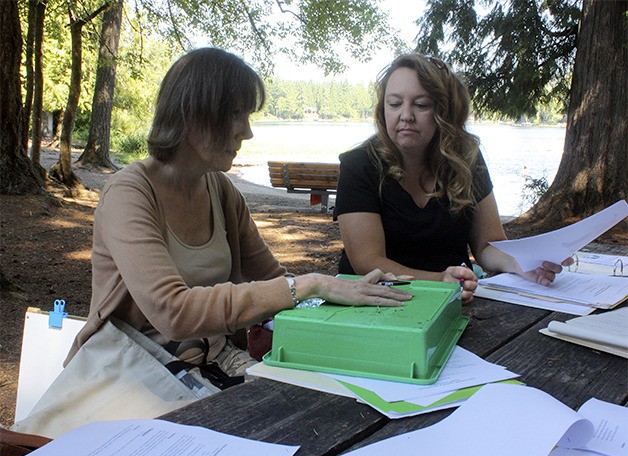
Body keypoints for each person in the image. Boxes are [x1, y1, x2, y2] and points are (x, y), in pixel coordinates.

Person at [64, 47, 411, 378]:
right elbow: (173, 312)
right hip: (134, 372)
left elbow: (272, 280)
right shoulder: (129, 193)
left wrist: (347, 295)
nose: (247, 131)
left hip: (214, 362)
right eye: (236, 114)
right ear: (192, 115)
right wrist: (311, 285)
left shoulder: (221, 190)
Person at [334, 53, 571, 304]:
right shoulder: (359, 165)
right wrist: (439, 282)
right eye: (394, 104)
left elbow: (487, 246)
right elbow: (367, 263)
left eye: (421, 105)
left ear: (444, 110)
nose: (406, 115)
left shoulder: (467, 159)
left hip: (455, 306)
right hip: (372, 308)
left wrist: (521, 264)